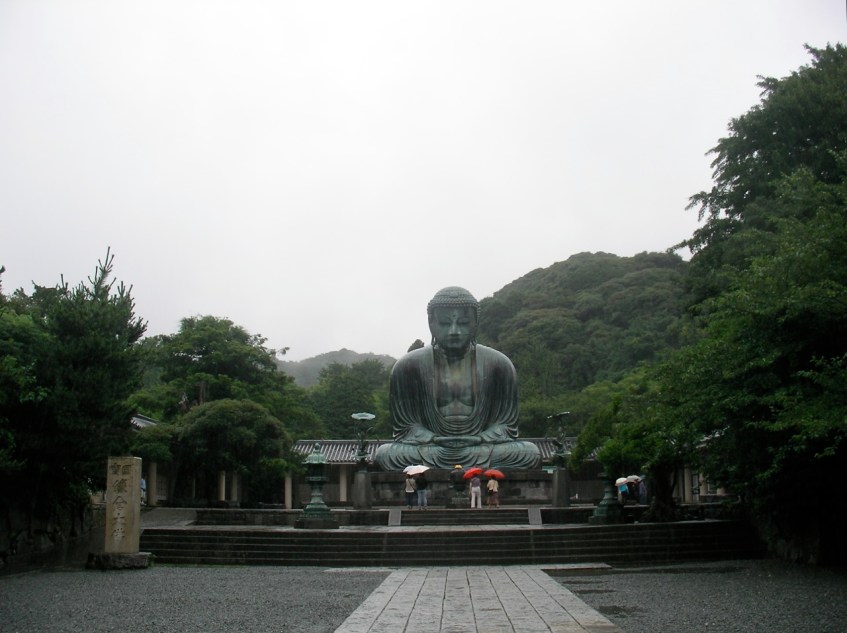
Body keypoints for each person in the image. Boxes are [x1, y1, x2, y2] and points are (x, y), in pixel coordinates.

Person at [374, 287, 541, 470]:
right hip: (431, 448)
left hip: (481, 446)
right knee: (385, 454)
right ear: (431, 323)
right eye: (445, 323)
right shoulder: (408, 366)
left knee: (529, 453)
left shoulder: (499, 364)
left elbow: (505, 425)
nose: (454, 331)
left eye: (463, 322)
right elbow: (406, 427)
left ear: (475, 323)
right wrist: (433, 438)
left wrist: (481, 438)